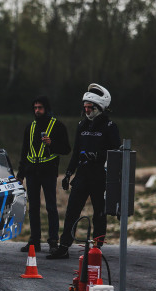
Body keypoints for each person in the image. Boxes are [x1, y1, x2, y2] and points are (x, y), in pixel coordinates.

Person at [47, 83, 121, 259]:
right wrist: (68, 174)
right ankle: (64, 246)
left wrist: (97, 155)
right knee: (72, 210)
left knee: (99, 213)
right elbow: (76, 152)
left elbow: (116, 151)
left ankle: (97, 247)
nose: (86, 111)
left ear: (99, 107)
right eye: (85, 107)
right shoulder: (82, 125)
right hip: (82, 174)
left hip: (100, 176)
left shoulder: (110, 126)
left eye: (90, 108)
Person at [16, 95, 71, 254]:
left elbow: (66, 149)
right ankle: (34, 241)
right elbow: (24, 152)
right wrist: (20, 174)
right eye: (35, 108)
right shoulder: (30, 127)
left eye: (40, 108)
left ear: (46, 108)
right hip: (32, 172)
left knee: (51, 207)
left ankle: (53, 241)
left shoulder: (57, 126)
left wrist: (51, 144)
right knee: (33, 208)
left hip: (48, 171)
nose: (37, 111)